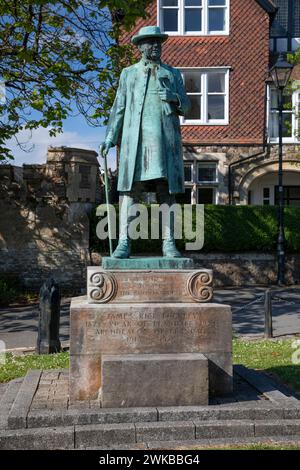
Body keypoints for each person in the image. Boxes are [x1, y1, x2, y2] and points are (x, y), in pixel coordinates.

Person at [100, 25, 190, 258]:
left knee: (166, 191)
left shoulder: (172, 74)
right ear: (140, 47)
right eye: (150, 42)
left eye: (158, 42)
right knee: (129, 192)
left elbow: (188, 106)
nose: (155, 46)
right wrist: (110, 137)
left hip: (164, 141)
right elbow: (118, 108)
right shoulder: (128, 74)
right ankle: (124, 243)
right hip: (135, 142)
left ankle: (169, 243)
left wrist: (174, 98)